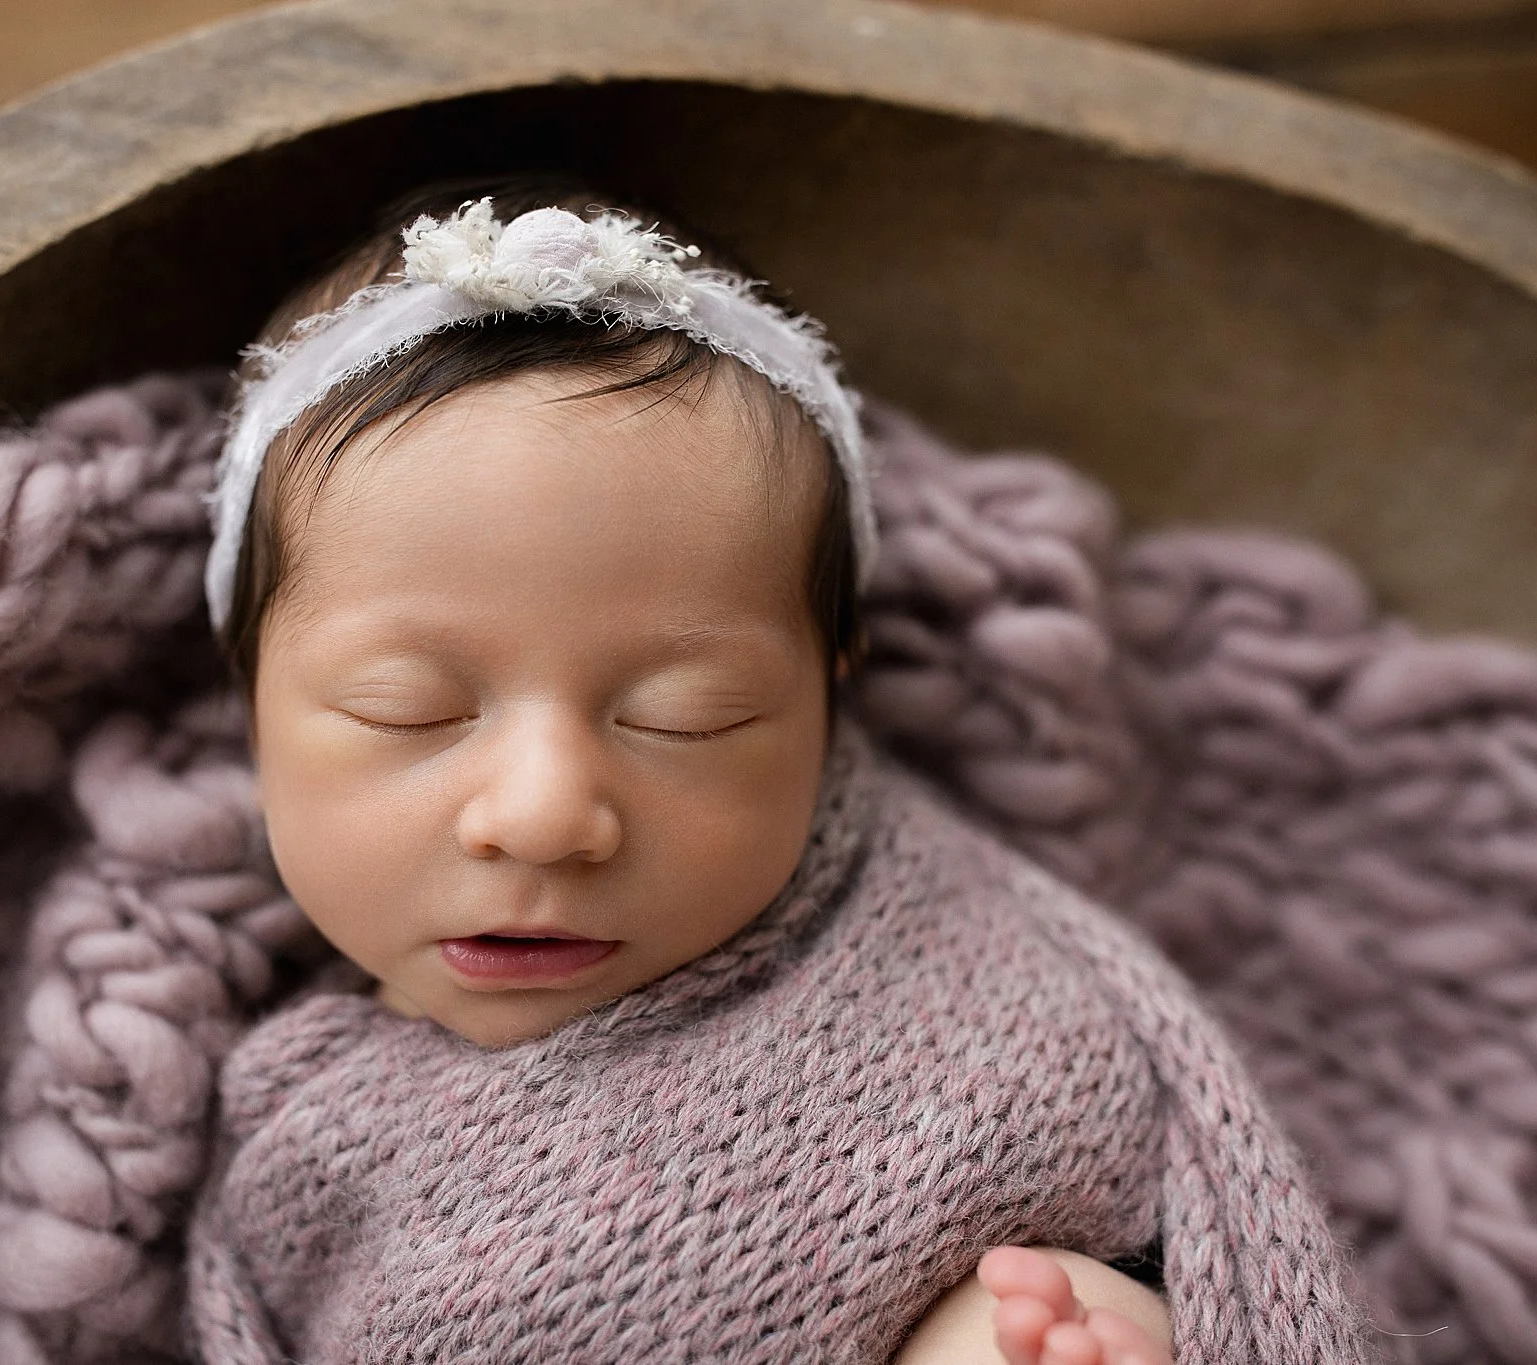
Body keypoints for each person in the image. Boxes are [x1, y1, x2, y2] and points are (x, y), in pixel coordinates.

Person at [185, 180, 1368, 1365]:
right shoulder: (284, 1129)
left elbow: (1164, 1235)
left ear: (826, 694)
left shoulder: (962, 1011)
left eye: (687, 717)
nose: (544, 815)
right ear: (248, 699)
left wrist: (1057, 1321)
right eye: (410, 708)